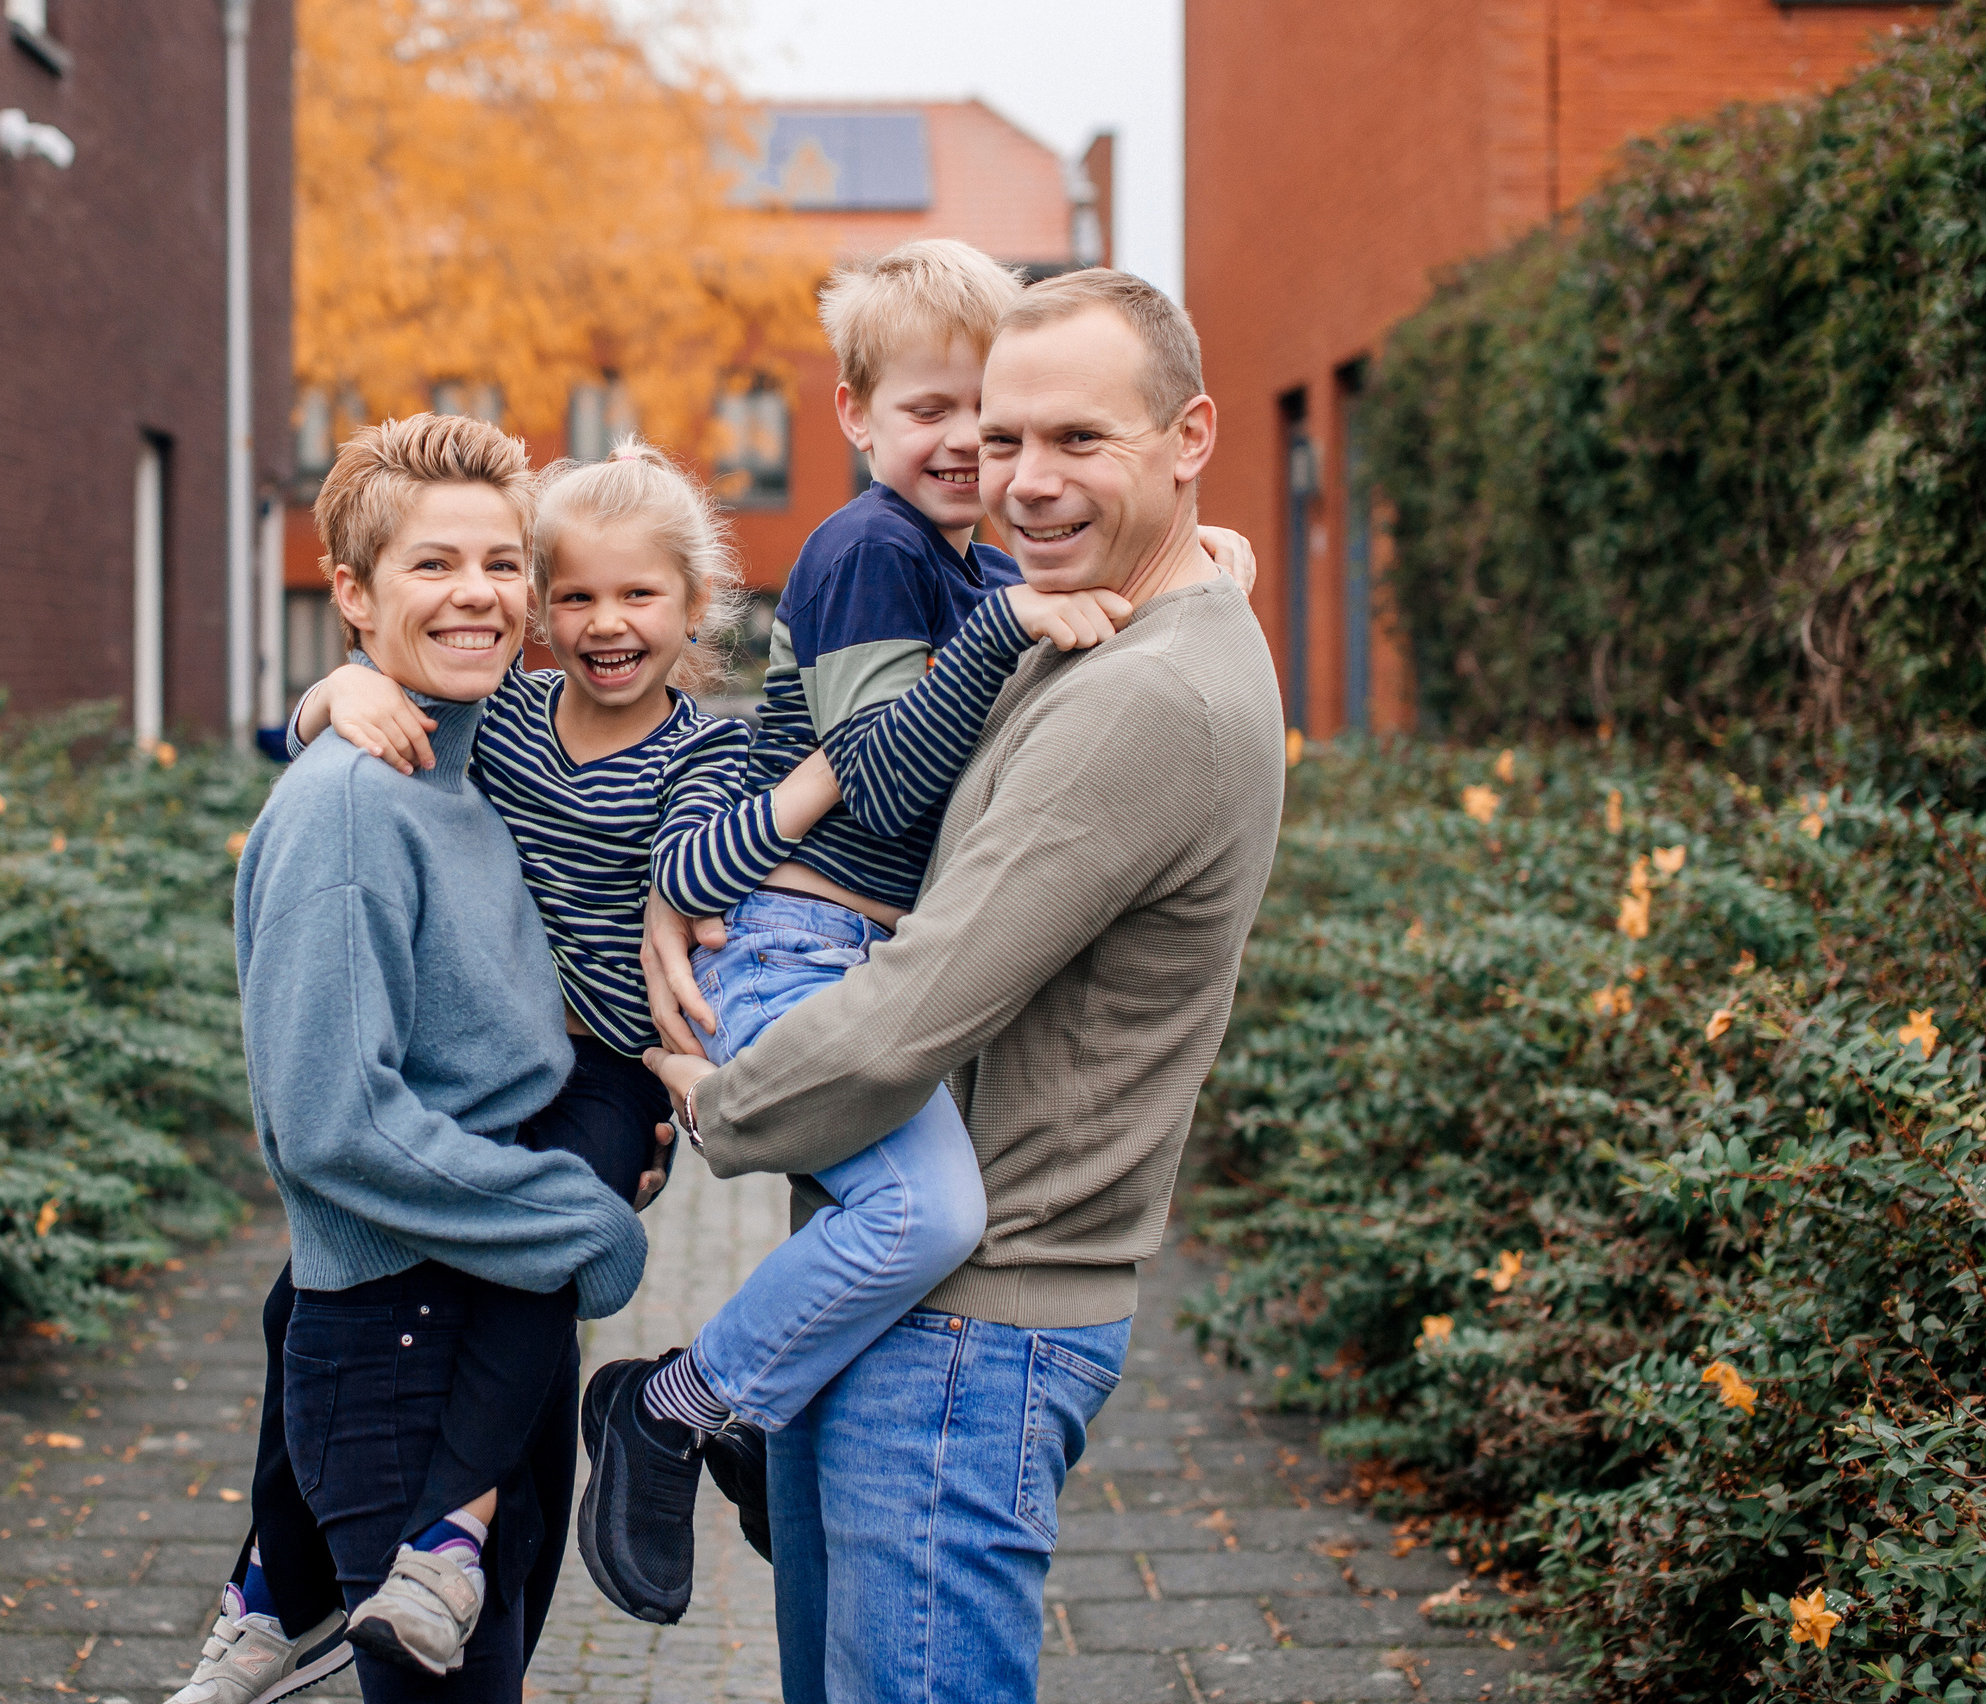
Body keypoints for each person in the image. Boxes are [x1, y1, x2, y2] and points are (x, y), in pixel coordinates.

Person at [640, 269, 1287, 1703]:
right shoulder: (1105, 620)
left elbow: (912, 1011)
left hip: (969, 1337)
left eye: (1079, 439)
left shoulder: (1144, 698)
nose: (1025, 481)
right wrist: (680, 885)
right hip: (907, 1302)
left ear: (1191, 436)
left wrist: (714, 1097)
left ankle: (670, 1411)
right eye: (1005, 439)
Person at [275, 438, 847, 1665]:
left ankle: (455, 1527)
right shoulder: (515, 716)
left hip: (612, 1069)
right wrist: (328, 698)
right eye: (575, 594)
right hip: (506, 1059)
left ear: (695, 604)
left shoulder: (707, 750)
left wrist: (813, 783)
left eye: (638, 594)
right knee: (313, 1294)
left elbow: (700, 868)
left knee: (542, 1255)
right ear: (543, 607)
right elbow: (401, 729)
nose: (605, 622)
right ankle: (266, 1589)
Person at [228, 412, 651, 1704]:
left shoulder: (467, 770)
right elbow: (335, 1121)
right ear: (352, 595)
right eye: (433, 564)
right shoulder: (353, 809)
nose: (478, 592)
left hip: (491, 1323)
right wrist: (577, 1216)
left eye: (502, 562)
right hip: (400, 1347)